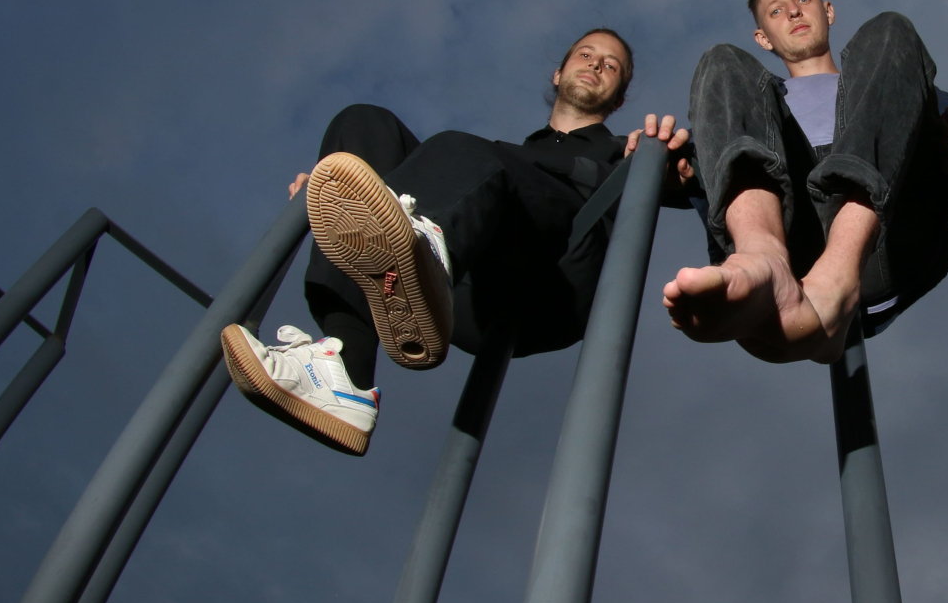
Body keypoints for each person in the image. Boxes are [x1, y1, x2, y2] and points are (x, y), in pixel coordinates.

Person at [220, 28, 693, 455]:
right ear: (559, 71)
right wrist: (339, 189)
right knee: (362, 125)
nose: (595, 64)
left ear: (621, 97)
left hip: (552, 283)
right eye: (586, 55)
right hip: (470, 289)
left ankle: (420, 244)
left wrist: (673, 161)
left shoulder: (626, 150)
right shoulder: (492, 163)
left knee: (465, 152)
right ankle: (345, 375)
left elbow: (698, 180)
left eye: (611, 65)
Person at [663, 0, 948, 364]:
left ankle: (837, 278)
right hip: (790, 244)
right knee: (720, 60)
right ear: (763, 37)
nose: (794, 12)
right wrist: (666, 162)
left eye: (803, 0)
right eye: (776, 10)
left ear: (828, 11)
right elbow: (697, 169)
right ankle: (762, 259)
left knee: (890, 27)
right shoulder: (755, 100)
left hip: (882, 242)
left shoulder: (885, 72)